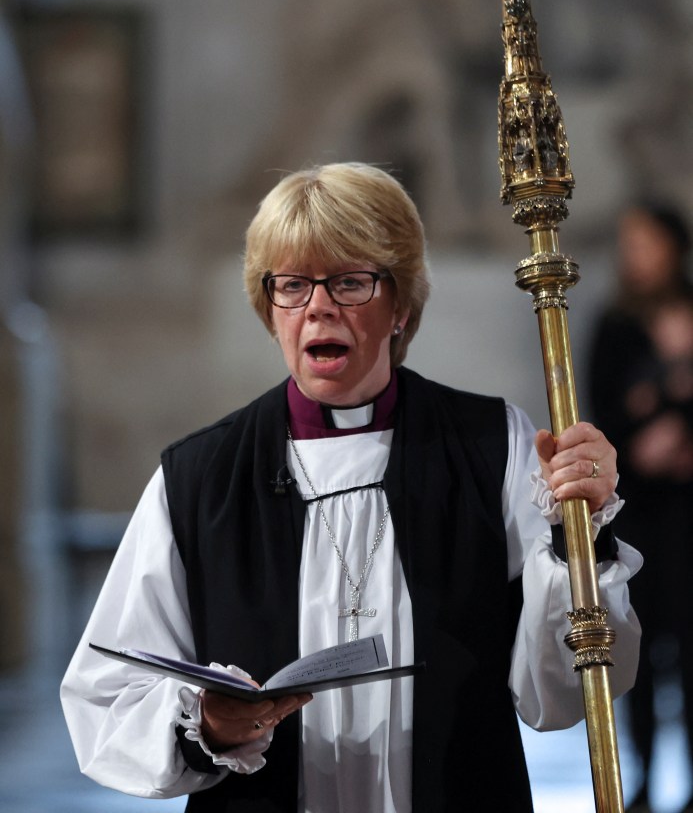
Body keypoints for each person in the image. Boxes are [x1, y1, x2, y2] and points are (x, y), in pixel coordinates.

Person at [61, 162, 641, 813]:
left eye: (348, 282)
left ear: (399, 305)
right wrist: (211, 724)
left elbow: (564, 689)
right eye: (292, 286)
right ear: (269, 307)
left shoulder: (489, 445)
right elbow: (105, 692)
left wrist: (579, 530)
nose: (317, 306)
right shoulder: (200, 478)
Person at [588, 202, 693, 813]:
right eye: (629, 244)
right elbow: (604, 413)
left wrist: (672, 410)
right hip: (644, 514)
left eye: (645, 242)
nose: (636, 255)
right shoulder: (617, 323)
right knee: (641, 654)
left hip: (689, 507)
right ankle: (648, 783)